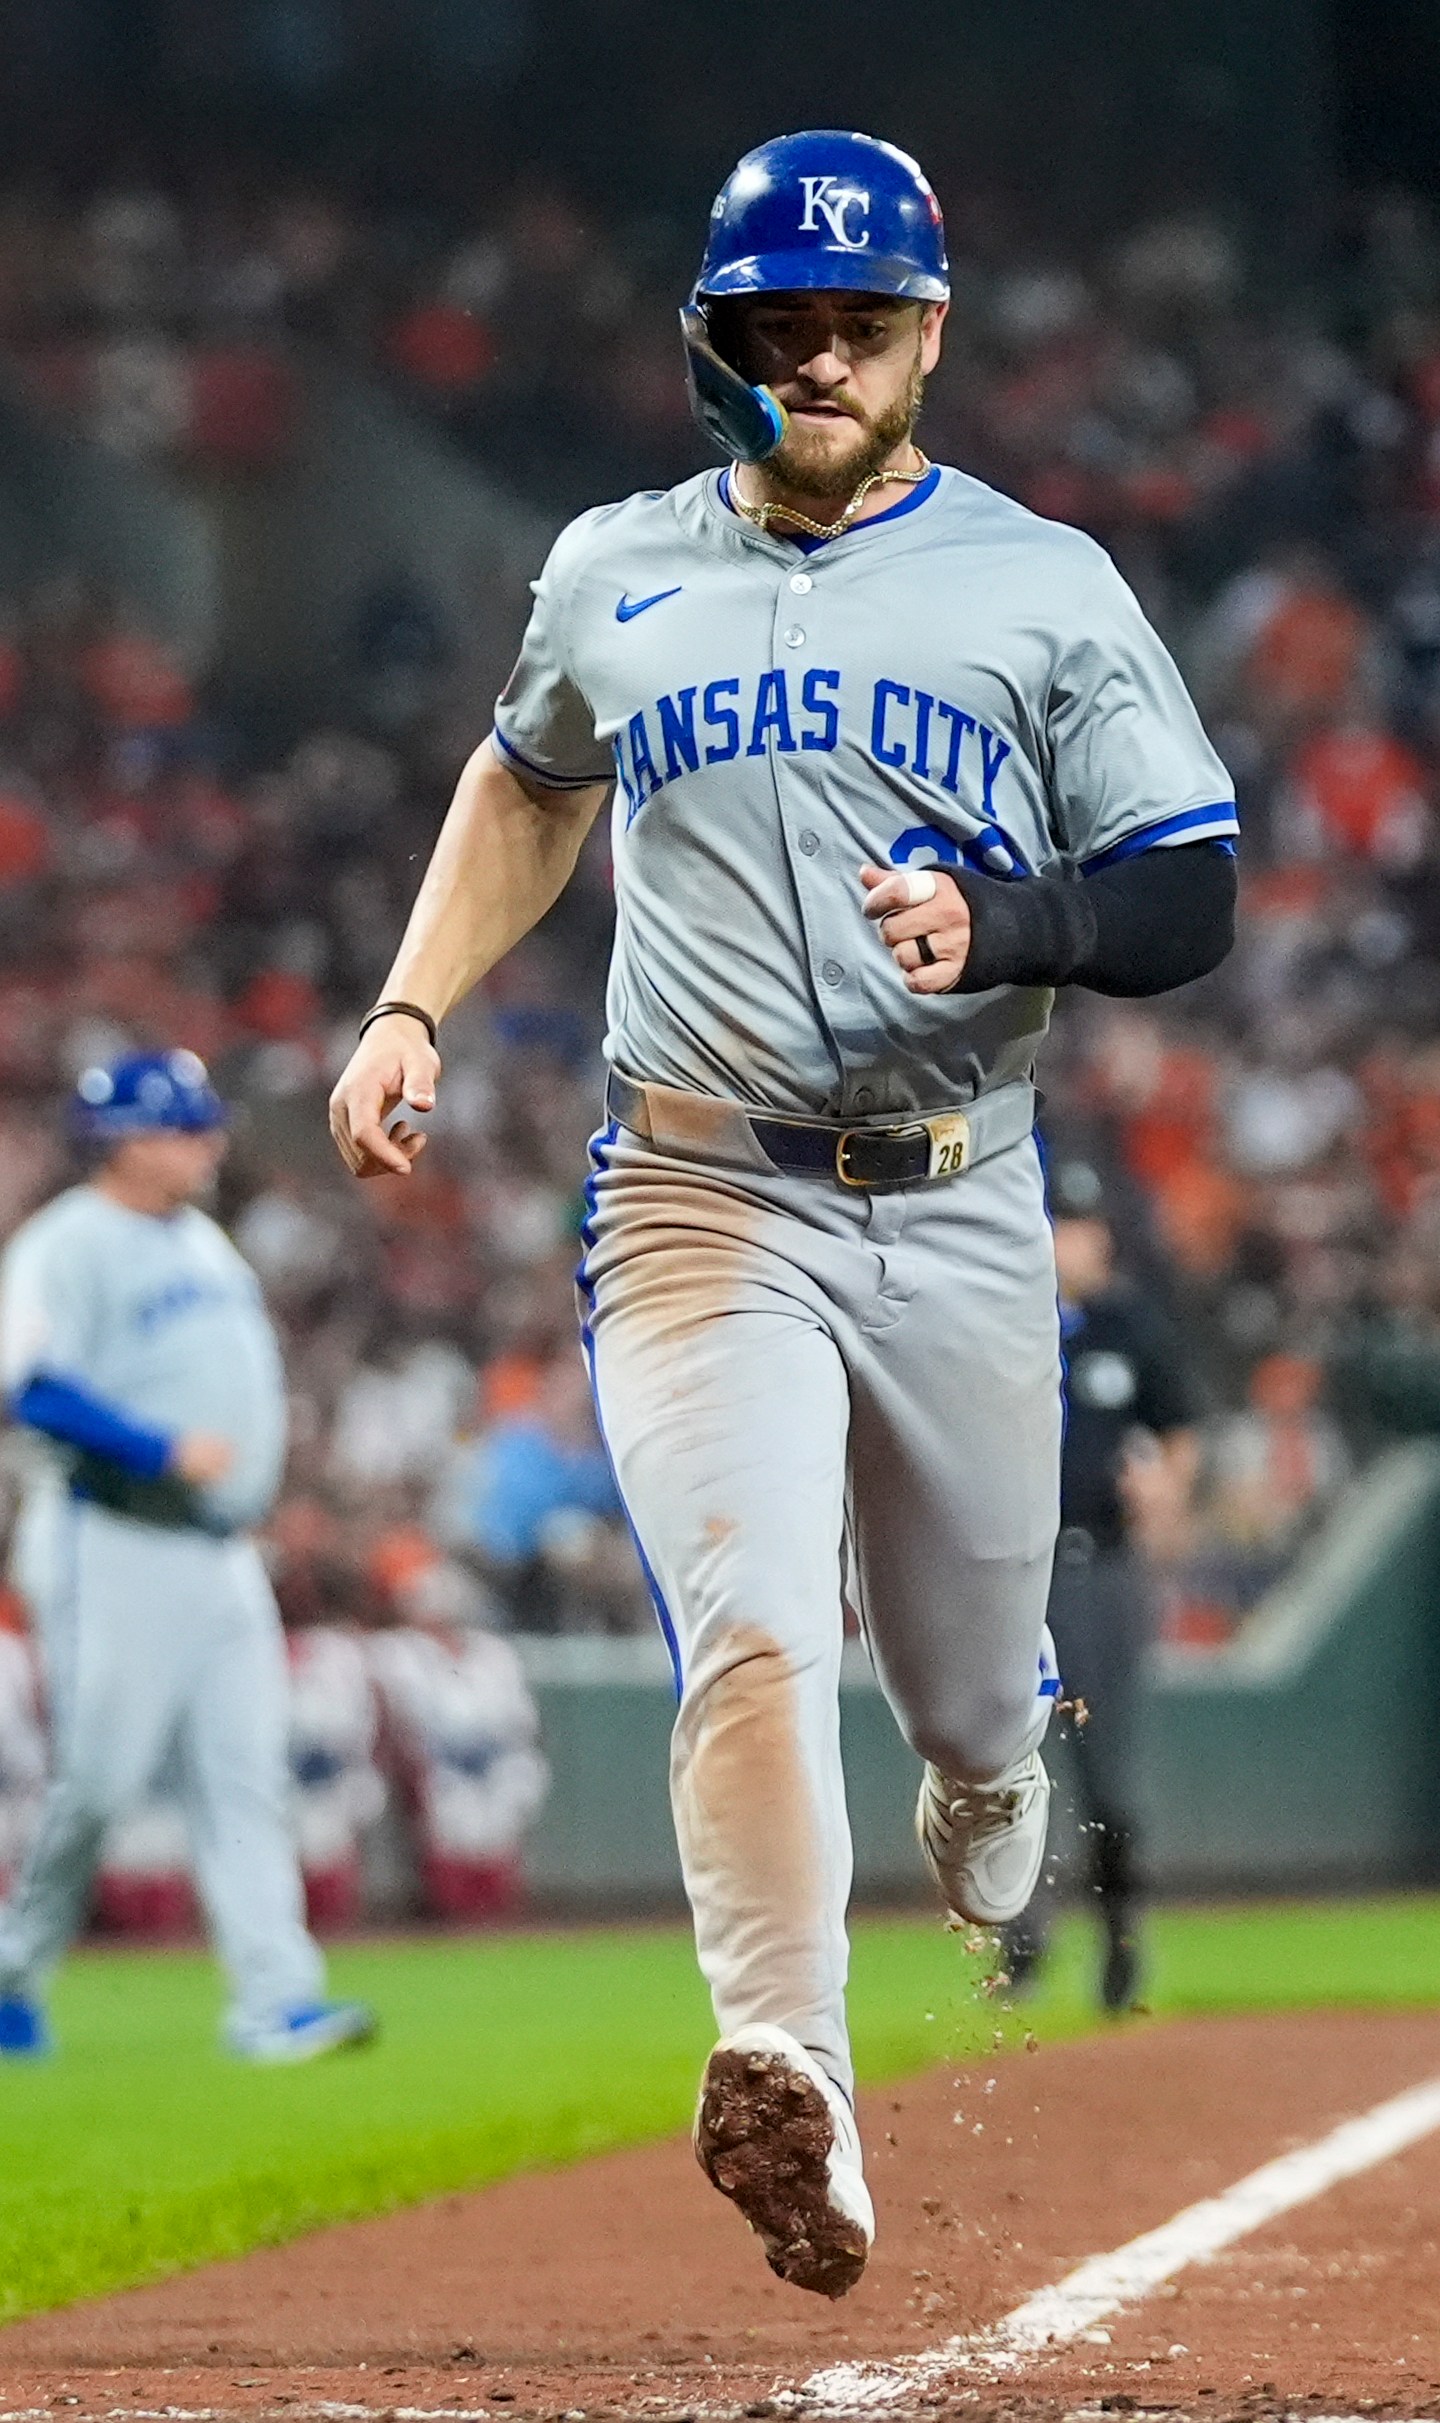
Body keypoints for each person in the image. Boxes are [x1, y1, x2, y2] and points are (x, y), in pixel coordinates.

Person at [329, 129, 1236, 2296]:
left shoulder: (1044, 580)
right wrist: (408, 1001)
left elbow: (1191, 886)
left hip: (961, 1200)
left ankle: (990, 1748)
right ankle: (788, 2066)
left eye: (857, 321)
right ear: (711, 344)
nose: (816, 355)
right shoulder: (610, 570)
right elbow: (526, 779)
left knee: (972, 1730)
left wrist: (1017, 912)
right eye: (775, 324)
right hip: (697, 1186)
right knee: (744, 1620)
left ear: (928, 333)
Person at [0, 1049, 375, 2062]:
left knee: (245, 1771)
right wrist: (161, 1447)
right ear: (122, 1139)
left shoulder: (205, 1241)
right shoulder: (66, 1243)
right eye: (184, 1125)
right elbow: (28, 1386)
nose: (208, 1139)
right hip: (110, 1534)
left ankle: (274, 1998)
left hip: (219, 1550)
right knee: (99, 1777)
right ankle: (12, 1968)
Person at [1001, 1158, 1200, 2013]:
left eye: (1075, 1225)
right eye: (1051, 1222)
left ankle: (1120, 1945)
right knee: (1009, 1764)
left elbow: (1181, 1428)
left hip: (1103, 1567)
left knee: (1107, 1772)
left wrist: (1168, 1494)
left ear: (1101, 1237)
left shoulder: (1128, 1326)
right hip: (1016, 1575)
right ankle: (1021, 1945)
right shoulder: (1006, 1324)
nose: (1063, 1240)